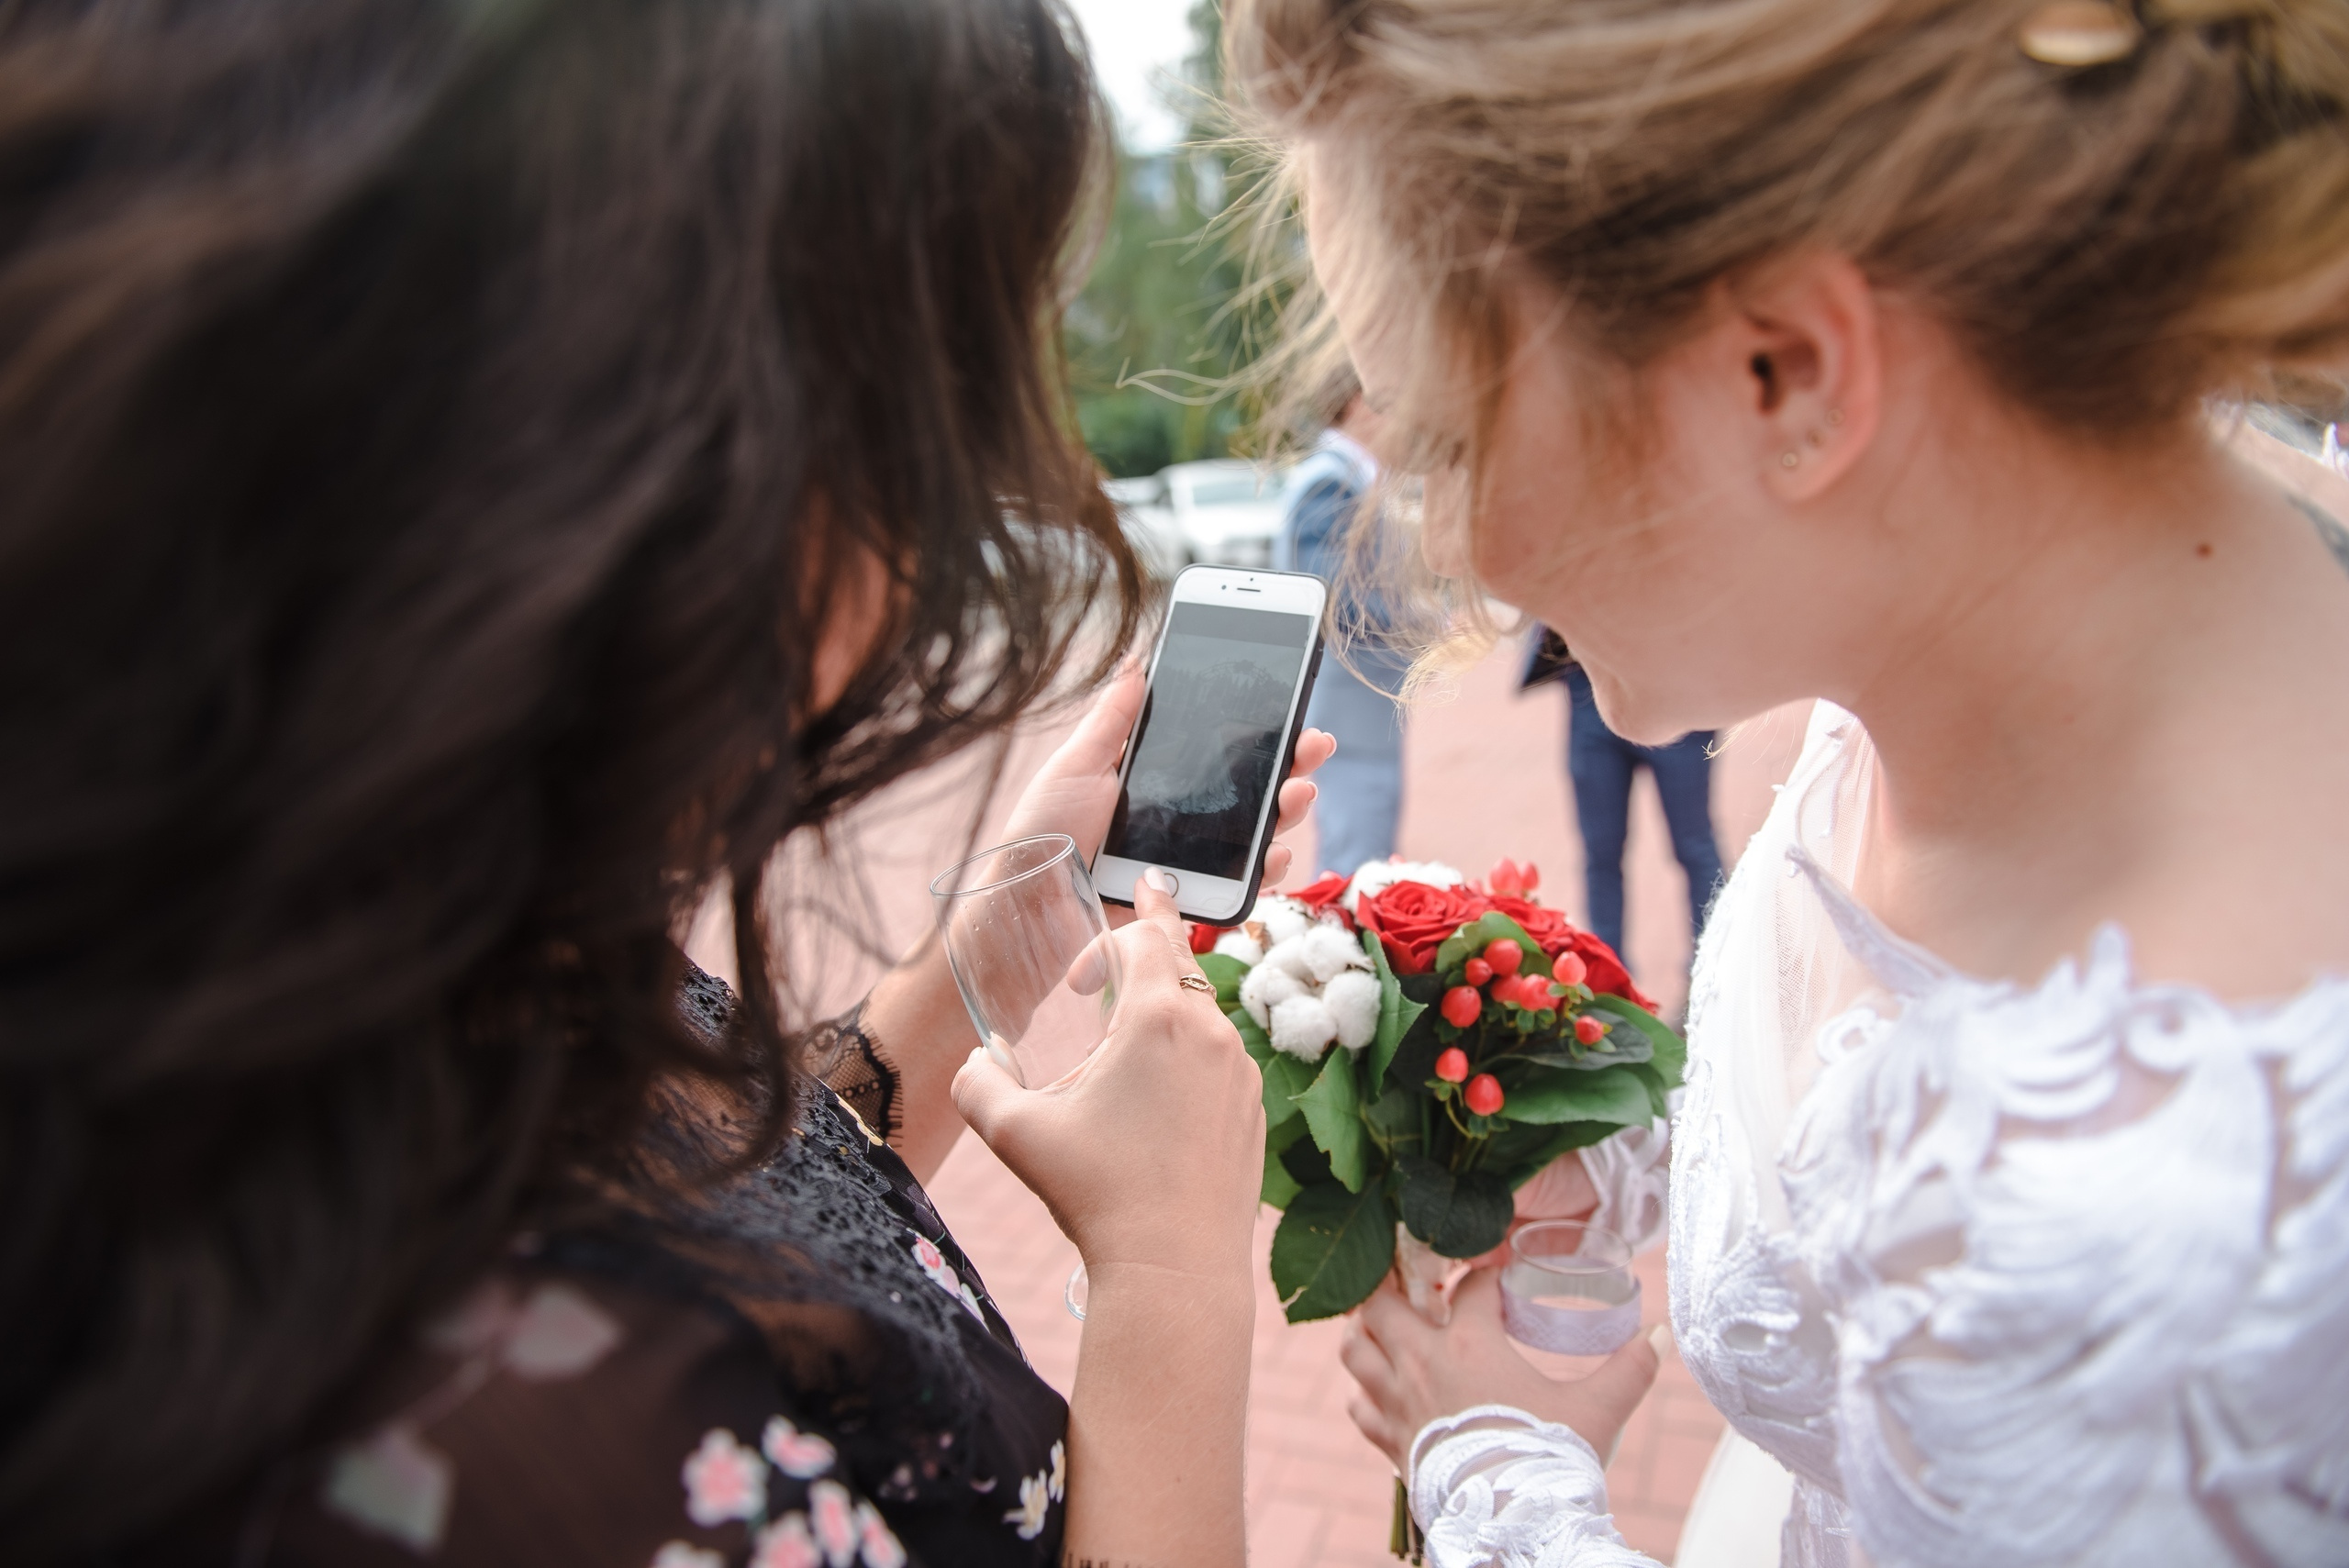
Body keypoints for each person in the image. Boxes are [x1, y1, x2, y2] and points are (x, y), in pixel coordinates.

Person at [0, 3, 1324, 1563]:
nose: (946, 513)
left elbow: (731, 1206)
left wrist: (989, 954)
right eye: (917, 417)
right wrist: (1170, 1281)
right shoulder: (544, 1458)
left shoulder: (408, 938)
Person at [1230, 0, 2349, 1563]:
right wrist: (1603, 1136)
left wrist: (1499, 1476)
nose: (1461, 549)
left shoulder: (2182, 1223)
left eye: (1448, 438)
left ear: (1790, 372)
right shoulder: (1950, 628)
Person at [1278, 372, 1408, 878]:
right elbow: (1334, 599)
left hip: (1359, 707)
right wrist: (1422, 621)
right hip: (1349, 710)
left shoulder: (1346, 476)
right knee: (1356, 866)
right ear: (1357, 404)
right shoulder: (1331, 482)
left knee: (1362, 855)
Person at [1528, 631, 1725, 965]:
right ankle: (1609, 982)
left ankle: (1713, 974)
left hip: (1679, 698)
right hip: (1592, 691)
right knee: (1600, 852)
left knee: (1694, 847)